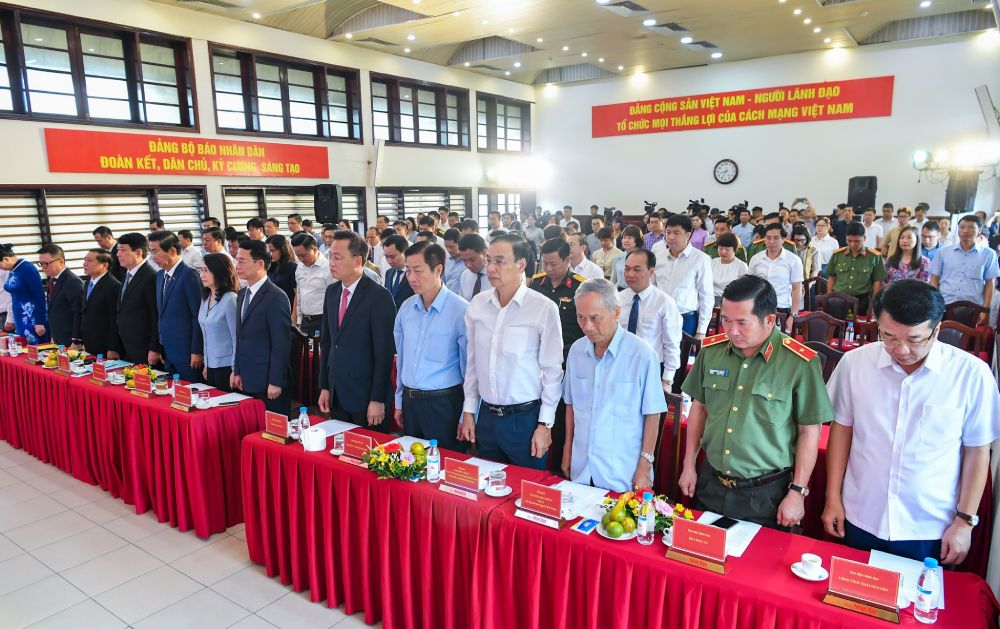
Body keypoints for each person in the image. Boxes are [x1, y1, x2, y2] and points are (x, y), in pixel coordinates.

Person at [823, 280, 1000, 563]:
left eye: (915, 339)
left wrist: (964, 522)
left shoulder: (971, 375)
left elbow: (977, 451)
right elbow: (842, 430)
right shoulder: (855, 364)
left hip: (930, 526)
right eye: (889, 337)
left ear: (937, 329)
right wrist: (833, 497)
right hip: (861, 514)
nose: (901, 349)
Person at [679, 275, 833, 529]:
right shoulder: (712, 351)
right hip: (711, 482)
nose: (731, 331)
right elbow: (700, 407)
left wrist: (797, 492)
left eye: (742, 322)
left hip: (765, 494)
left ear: (770, 320)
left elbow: (809, 431)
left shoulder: (798, 363)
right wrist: (688, 465)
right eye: (726, 320)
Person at [459, 235, 563, 469]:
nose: (491, 268)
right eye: (488, 260)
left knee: (526, 494)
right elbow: (473, 364)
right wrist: (468, 410)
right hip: (486, 416)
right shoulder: (478, 305)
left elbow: (552, 372)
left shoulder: (542, 308)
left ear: (521, 264)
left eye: (500, 261)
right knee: (487, 492)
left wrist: (545, 425)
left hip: (524, 419)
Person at [562, 279, 667, 491]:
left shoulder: (642, 355)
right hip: (582, 468)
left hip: (622, 472)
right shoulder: (576, 351)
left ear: (617, 312)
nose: (587, 327)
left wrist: (645, 466)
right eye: (581, 318)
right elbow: (571, 406)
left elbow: (653, 414)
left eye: (595, 318)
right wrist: (567, 450)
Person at [393, 241, 469, 449]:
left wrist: (466, 414)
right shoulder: (406, 309)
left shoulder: (460, 311)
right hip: (411, 402)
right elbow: (402, 360)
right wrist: (399, 401)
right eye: (408, 271)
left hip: (444, 404)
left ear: (438, 270)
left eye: (418, 271)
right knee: (412, 468)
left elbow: (470, 369)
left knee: (443, 469)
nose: (411, 278)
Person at [317, 231, 396, 430]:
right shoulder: (332, 292)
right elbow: (327, 342)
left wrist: (377, 399)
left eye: (337, 257)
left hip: (366, 395)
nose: (331, 263)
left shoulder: (379, 296)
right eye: (330, 257)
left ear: (357, 260)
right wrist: (325, 386)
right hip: (337, 393)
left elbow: (384, 353)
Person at [529, 238, 586, 472]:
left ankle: (560, 463)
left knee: (562, 413)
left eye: (554, 264)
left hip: (568, 359)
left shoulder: (580, 286)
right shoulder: (536, 284)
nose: (549, 269)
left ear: (567, 260)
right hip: (537, 359)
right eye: (545, 264)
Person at [233, 240, 292, 416]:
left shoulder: (276, 297)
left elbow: (281, 344)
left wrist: (276, 381)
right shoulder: (243, 294)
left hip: (268, 380)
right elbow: (240, 336)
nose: (237, 266)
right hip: (247, 376)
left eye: (242, 261)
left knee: (274, 434)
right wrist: (237, 370)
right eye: (237, 260)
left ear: (259, 263)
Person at [618, 249, 682, 391]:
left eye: (637, 270)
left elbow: (671, 344)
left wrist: (666, 380)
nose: (630, 275)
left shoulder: (664, 303)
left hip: (650, 368)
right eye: (627, 269)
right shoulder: (618, 299)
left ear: (651, 272)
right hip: (620, 365)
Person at [149, 232, 203, 382]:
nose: (153, 257)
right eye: (150, 252)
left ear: (172, 251)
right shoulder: (160, 276)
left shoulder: (189, 275)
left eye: (155, 252)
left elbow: (197, 315)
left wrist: (197, 350)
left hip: (187, 353)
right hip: (168, 351)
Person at [652, 214, 714, 338]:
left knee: (684, 357)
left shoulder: (701, 259)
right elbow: (652, 288)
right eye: (668, 232)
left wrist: (701, 331)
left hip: (686, 319)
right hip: (659, 318)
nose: (670, 237)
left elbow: (706, 296)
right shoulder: (658, 256)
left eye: (676, 233)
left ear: (688, 234)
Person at [929, 214, 1000, 321]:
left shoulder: (989, 254)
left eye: (971, 227)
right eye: (962, 227)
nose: (965, 231)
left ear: (979, 230)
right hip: (944, 305)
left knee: (968, 337)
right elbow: (934, 278)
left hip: (973, 308)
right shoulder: (943, 252)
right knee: (939, 336)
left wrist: (985, 309)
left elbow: (990, 283)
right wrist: (935, 301)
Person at [112, 233, 160, 365]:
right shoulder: (126, 274)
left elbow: (155, 316)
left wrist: (155, 348)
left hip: (143, 346)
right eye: (117, 250)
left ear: (138, 252)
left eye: (122, 250)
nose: (118, 255)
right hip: (126, 345)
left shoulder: (150, 277)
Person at [196, 253, 238, 391]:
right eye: (201, 270)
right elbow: (205, 334)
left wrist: (235, 370)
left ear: (219, 271)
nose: (202, 274)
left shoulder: (230, 299)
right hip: (211, 364)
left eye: (206, 270)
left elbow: (236, 338)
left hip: (227, 366)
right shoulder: (205, 297)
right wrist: (207, 364)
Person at [825, 222, 886, 315]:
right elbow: (831, 277)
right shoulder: (837, 255)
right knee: (835, 326)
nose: (852, 244)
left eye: (857, 241)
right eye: (849, 241)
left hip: (862, 300)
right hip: (839, 298)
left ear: (864, 238)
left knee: (859, 327)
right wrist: (829, 298)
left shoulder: (874, 256)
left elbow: (877, 281)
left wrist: (874, 304)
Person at [748, 224, 803, 323]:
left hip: (782, 308)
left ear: (783, 239)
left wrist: (793, 316)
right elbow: (750, 286)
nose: (771, 241)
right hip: (759, 308)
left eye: (776, 238)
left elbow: (797, 289)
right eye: (768, 238)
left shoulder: (793, 260)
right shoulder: (756, 259)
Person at [0, 244, 49, 344]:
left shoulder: (27, 268)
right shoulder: (13, 270)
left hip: (32, 318)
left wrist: (39, 322)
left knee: (37, 350)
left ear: (5, 259)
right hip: (20, 317)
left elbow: (39, 295)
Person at [77, 248, 121, 357]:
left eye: (89, 261)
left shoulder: (113, 286)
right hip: (90, 341)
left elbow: (114, 319)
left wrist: (113, 347)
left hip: (105, 343)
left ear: (104, 265)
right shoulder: (88, 282)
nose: (84, 264)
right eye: (85, 260)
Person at [37, 244, 83, 347]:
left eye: (47, 263)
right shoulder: (53, 279)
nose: (43, 267)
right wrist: (53, 335)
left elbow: (78, 313)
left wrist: (76, 339)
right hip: (58, 336)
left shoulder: (72, 281)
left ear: (61, 261)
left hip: (70, 337)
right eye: (41, 264)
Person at [291, 232, 332, 338]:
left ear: (314, 249)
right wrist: (299, 320)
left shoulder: (329, 268)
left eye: (303, 255)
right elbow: (299, 294)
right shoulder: (299, 267)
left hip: (323, 321)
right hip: (305, 321)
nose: (301, 259)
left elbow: (334, 299)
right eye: (298, 256)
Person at [709, 233, 749, 305]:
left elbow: (743, 289)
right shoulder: (712, 262)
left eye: (727, 249)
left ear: (734, 250)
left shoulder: (741, 266)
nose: (723, 252)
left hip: (731, 300)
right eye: (720, 248)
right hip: (711, 299)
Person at [265, 234, 298, 313]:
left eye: (273, 251)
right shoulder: (270, 267)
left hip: (287, 309)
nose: (270, 254)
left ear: (282, 250)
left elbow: (297, 295)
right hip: (273, 309)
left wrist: (293, 317)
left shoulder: (292, 267)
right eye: (268, 251)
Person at [382, 234, 413, 309]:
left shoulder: (414, 274)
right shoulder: (389, 273)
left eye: (392, 257)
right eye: (386, 256)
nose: (389, 261)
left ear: (405, 253)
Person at [611, 225, 643, 289]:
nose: (626, 240)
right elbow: (613, 280)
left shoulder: (644, 258)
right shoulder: (617, 258)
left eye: (630, 238)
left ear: (637, 239)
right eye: (624, 237)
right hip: (620, 293)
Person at [457, 233, 488, 301]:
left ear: (484, 253)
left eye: (472, 259)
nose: (468, 265)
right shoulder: (465, 275)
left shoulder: (496, 276)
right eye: (464, 260)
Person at [441, 228, 465, 294]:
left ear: (460, 243)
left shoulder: (467, 261)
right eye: (446, 246)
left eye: (452, 247)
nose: (449, 250)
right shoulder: (445, 260)